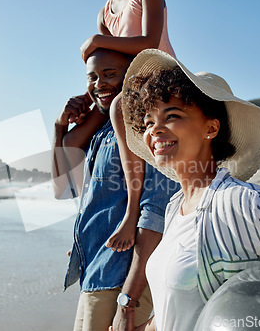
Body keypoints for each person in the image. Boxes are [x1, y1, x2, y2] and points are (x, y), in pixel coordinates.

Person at [117, 49, 260, 331]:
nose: (155, 130)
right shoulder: (174, 209)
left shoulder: (243, 203)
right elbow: (179, 309)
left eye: (172, 115)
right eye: (149, 121)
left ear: (211, 128)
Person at [51, 48, 178, 331]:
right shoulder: (102, 133)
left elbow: (155, 210)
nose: (99, 84)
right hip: (95, 269)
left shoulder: (146, 129)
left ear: (130, 77)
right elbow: (61, 187)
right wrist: (59, 128)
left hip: (122, 276)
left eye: (110, 74)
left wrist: (128, 301)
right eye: (92, 77)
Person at [81, 0, 177, 253]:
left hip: (161, 76)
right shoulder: (105, 13)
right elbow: (111, 60)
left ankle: (133, 210)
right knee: (81, 132)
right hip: (132, 86)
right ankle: (86, 236)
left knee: (117, 107)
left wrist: (97, 40)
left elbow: (149, 43)